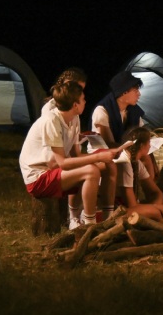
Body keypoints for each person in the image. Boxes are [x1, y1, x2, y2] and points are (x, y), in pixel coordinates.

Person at [19, 81, 120, 227]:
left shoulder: (74, 119)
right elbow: (62, 163)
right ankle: (88, 223)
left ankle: (107, 217)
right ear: (75, 105)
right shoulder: (51, 121)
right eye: (83, 99)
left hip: (54, 170)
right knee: (91, 171)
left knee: (108, 165)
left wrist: (106, 155)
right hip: (38, 176)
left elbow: (76, 156)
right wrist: (97, 157)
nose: (85, 102)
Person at [41, 67, 89, 228]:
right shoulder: (51, 112)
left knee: (99, 166)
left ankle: (85, 213)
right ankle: (79, 217)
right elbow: (54, 152)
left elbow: (74, 148)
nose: (79, 92)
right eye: (77, 88)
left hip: (64, 156)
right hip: (51, 161)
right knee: (91, 170)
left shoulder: (74, 115)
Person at [90, 70, 157, 180]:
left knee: (148, 158)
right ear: (124, 92)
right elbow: (109, 143)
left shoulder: (134, 110)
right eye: (135, 90)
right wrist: (134, 152)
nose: (139, 94)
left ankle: (151, 190)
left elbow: (143, 135)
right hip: (104, 152)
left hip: (127, 150)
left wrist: (149, 155)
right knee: (133, 160)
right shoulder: (103, 110)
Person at [115, 127, 163, 225]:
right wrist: (158, 208)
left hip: (135, 207)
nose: (150, 145)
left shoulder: (137, 162)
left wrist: (158, 206)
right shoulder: (125, 163)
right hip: (120, 210)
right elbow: (132, 205)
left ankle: (160, 218)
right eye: (149, 142)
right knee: (154, 211)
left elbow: (156, 192)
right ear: (142, 146)